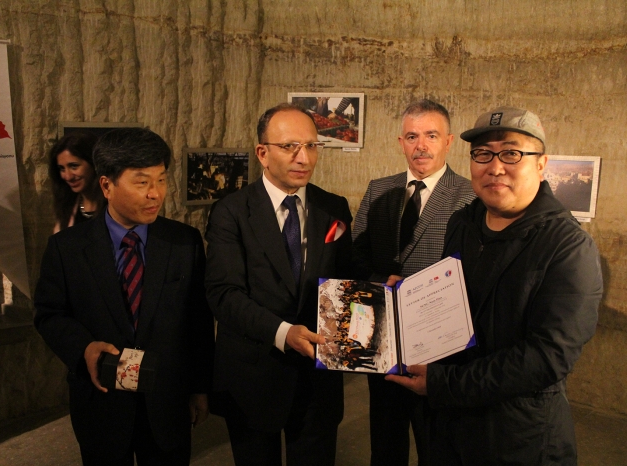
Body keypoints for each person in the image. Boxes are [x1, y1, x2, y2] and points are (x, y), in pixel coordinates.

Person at [387, 106, 603, 465]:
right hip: (448, 427)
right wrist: (412, 294)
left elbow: (548, 357)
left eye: (511, 153)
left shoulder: (567, 246)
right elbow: (458, 300)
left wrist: (444, 384)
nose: (495, 167)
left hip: (517, 434)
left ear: (541, 163)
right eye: (483, 154)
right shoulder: (463, 222)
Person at [34, 127, 215, 465]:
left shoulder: (184, 242)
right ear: (107, 186)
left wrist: (200, 387)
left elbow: (199, 322)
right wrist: (84, 348)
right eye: (142, 182)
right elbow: (49, 314)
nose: (155, 194)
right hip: (102, 402)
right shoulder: (67, 249)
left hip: (167, 401)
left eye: (161, 180)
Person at [205, 103, 353, 466]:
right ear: (262, 153)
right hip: (253, 374)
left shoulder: (333, 207)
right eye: (290, 147)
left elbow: (346, 279)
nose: (304, 157)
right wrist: (284, 333)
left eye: (312, 145)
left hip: (318, 378)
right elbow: (224, 294)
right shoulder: (231, 212)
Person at [352, 99, 475, 466]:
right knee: (385, 443)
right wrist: (379, 280)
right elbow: (355, 254)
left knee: (435, 445)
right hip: (384, 340)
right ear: (401, 142)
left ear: (448, 141)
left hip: (441, 346)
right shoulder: (378, 189)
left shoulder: (470, 195)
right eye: (412, 136)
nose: (421, 146)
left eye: (431, 136)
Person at [48, 131, 104, 232]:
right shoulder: (67, 206)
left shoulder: (116, 205)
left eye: (74, 166)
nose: (68, 176)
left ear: (94, 163)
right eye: (62, 168)